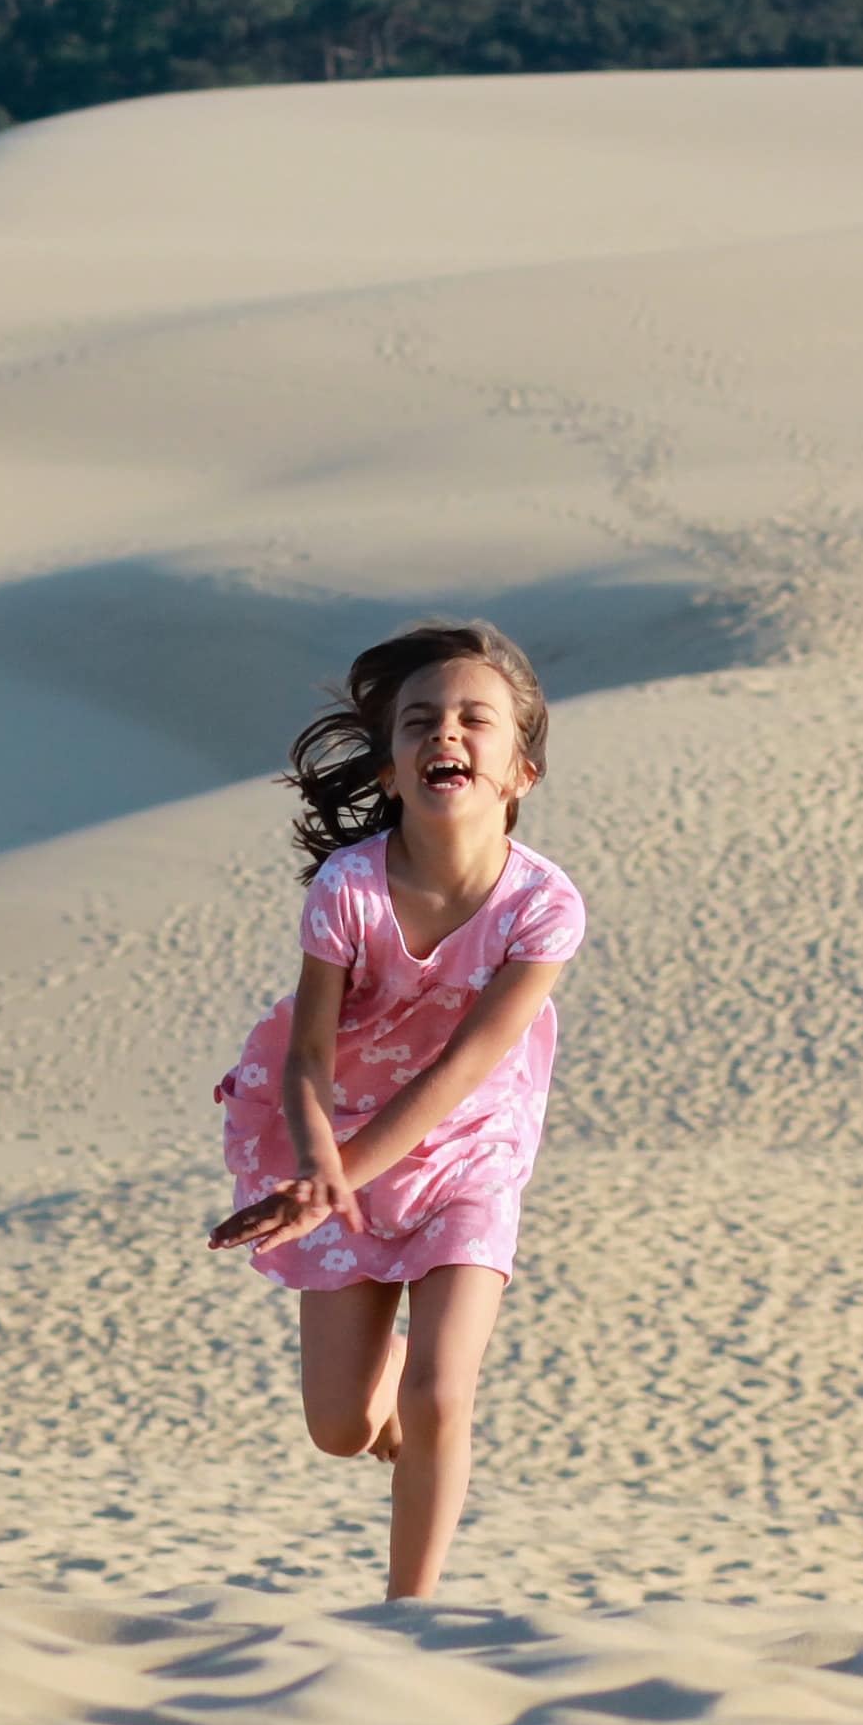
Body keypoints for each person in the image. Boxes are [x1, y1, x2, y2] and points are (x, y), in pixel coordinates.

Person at [209, 619, 585, 1602]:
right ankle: (399, 1423)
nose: (444, 735)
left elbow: (466, 1066)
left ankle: (409, 1617)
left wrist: (340, 1174)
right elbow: (307, 1052)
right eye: (419, 722)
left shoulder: (544, 908)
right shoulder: (348, 889)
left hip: (469, 1152)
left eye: (474, 719)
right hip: (341, 1145)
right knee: (340, 1428)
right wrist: (319, 1171)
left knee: (440, 1392)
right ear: (387, 771)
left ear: (521, 772)